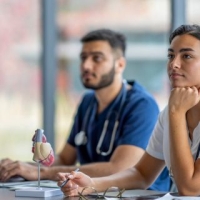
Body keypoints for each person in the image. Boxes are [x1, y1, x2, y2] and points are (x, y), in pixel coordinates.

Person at [0, 29, 170, 191]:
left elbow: (120, 168)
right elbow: (65, 159)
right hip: (89, 193)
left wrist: (42, 173)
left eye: (97, 58)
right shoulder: (88, 102)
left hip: (135, 196)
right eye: (83, 57)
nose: (86, 65)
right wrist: (21, 167)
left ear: (120, 64)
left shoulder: (142, 105)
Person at [57, 24, 200, 197]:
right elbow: (142, 174)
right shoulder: (169, 113)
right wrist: (92, 183)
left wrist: (176, 113)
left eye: (187, 56)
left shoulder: (172, 111)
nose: (174, 64)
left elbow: (191, 188)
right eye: (171, 55)